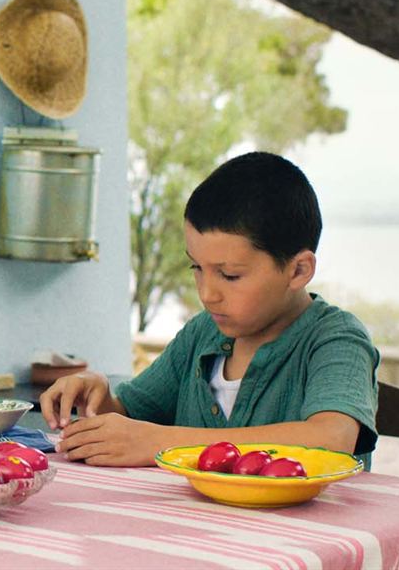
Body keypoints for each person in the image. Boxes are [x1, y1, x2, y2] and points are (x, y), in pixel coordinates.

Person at [41, 151, 378, 466]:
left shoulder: (336, 339)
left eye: (229, 275)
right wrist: (98, 401)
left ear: (299, 270)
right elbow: (133, 419)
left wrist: (164, 442)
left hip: (312, 530)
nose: (207, 293)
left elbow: (332, 439)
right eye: (196, 268)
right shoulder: (203, 333)